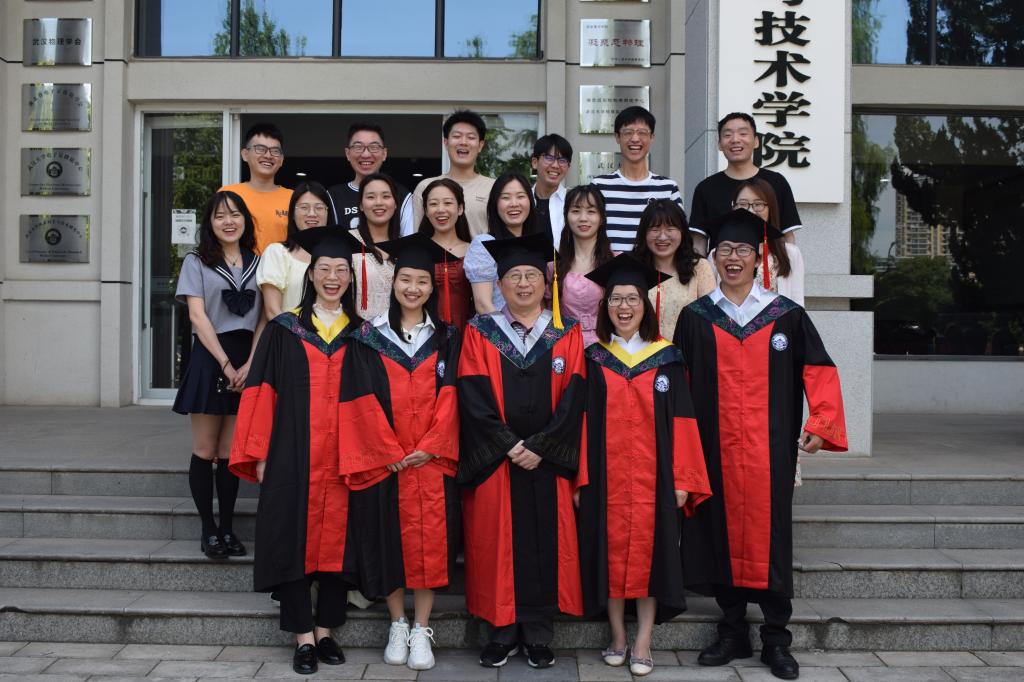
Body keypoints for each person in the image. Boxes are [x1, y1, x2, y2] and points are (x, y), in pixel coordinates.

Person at [674, 209, 848, 681]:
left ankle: (776, 638)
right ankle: (732, 631)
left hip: (770, 453)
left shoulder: (785, 315)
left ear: (758, 257)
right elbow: (679, 390)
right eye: (725, 250)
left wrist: (821, 422)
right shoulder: (696, 318)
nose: (734, 258)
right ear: (714, 257)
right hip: (714, 450)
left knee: (773, 537)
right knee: (719, 533)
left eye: (743, 250)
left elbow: (820, 369)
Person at [229, 226, 364, 675]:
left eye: (341, 269)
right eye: (324, 269)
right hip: (292, 453)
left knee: (341, 543)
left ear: (350, 277)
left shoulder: (362, 334)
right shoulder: (284, 329)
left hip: (344, 456)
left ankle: (326, 631)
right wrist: (260, 453)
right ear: (311, 275)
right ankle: (302, 636)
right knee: (291, 538)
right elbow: (262, 393)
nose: (332, 277)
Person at [577, 254, 712, 677]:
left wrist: (684, 478)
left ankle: (643, 641)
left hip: (656, 480)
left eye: (632, 298)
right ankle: (618, 635)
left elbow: (684, 421)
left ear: (645, 305)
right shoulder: (593, 359)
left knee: (654, 557)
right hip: (607, 480)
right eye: (616, 299)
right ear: (605, 307)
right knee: (611, 556)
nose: (624, 307)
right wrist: (580, 479)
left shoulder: (667, 357)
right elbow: (580, 424)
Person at [457, 232, 586, 670]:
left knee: (545, 545)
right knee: (497, 545)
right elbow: (472, 395)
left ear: (546, 282)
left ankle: (537, 634)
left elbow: (574, 397)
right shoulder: (480, 332)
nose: (524, 283)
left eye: (532, 275)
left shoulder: (567, 332)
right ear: (500, 284)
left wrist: (542, 447)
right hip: (498, 461)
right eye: (514, 276)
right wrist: (510, 445)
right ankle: (501, 632)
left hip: (547, 462)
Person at [338, 235, 462, 672]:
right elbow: (358, 397)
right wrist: (384, 449)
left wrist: (431, 446)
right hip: (386, 463)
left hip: (430, 461)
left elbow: (454, 395)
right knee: (386, 540)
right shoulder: (368, 337)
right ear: (393, 283)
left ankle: (421, 627)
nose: (413, 288)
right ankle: (397, 622)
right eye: (406, 279)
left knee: (432, 544)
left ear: (433, 287)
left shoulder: (449, 337)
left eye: (422, 281)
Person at [173, 190, 264, 561]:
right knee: (205, 449)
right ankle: (208, 529)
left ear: (245, 220)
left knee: (229, 453)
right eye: (220, 216)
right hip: (212, 357)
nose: (229, 222)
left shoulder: (259, 261)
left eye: (235, 214)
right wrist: (226, 364)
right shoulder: (197, 261)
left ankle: (227, 527)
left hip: (248, 357)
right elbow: (197, 317)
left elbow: (265, 317)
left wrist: (251, 363)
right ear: (210, 224)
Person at [688, 112, 802, 255]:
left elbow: (787, 235)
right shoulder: (706, 188)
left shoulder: (776, 182)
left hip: (769, 266)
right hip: (723, 266)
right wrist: (702, 268)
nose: (735, 140)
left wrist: (788, 265)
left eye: (743, 133)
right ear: (719, 144)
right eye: (727, 135)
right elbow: (699, 239)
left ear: (756, 141)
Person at [590, 106, 683, 253]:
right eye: (628, 132)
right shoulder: (599, 186)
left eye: (642, 133)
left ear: (652, 137)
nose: (635, 139)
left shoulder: (668, 188)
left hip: (653, 267)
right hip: (609, 266)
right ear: (617, 137)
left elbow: (679, 235)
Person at [631, 200, 716, 340]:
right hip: (640, 350)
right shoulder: (632, 268)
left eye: (670, 229)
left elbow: (710, 319)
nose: (662, 237)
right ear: (644, 233)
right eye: (655, 229)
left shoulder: (700, 267)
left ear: (682, 231)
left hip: (686, 350)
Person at [550, 185, 616, 347]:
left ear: (602, 218)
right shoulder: (554, 266)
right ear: (566, 216)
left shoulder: (616, 262)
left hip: (608, 347)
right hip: (565, 347)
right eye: (575, 211)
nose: (583, 218)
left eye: (591, 211)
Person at [464, 172, 539, 315]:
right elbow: (483, 305)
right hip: (496, 326)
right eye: (505, 197)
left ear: (530, 201)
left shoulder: (537, 243)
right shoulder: (484, 244)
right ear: (495, 204)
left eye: (520, 196)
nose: (514, 203)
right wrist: (510, 328)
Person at [413, 110, 495, 236]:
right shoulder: (426, 186)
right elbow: (417, 235)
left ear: (480, 145)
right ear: (446, 143)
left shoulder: (494, 188)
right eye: (457, 136)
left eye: (471, 137)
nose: (463, 142)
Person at [257, 181, 330, 319]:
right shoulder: (277, 253)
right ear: (292, 214)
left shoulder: (339, 255)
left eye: (319, 207)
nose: (312, 214)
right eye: (304, 207)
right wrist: (301, 332)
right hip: (287, 331)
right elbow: (273, 311)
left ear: (328, 212)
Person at [327, 122, 415, 234]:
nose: (366, 154)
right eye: (358, 147)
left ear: (384, 153)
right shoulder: (333, 196)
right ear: (348, 153)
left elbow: (409, 239)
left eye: (374, 147)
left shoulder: (402, 195)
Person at [219, 123, 293, 254]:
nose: (268, 155)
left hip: (282, 267)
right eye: (260, 149)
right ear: (245, 154)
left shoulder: (293, 198)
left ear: (281, 159)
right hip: (238, 266)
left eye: (275, 151)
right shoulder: (228, 194)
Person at [731, 178, 805, 306]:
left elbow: (797, 304)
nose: (751, 211)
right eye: (743, 204)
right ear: (733, 208)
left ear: (770, 208)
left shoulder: (790, 253)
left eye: (758, 204)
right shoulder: (721, 254)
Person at [418, 178, 475, 329]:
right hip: (425, 332)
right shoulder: (418, 250)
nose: (441, 209)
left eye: (448, 203)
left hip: (467, 332)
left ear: (460, 208)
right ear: (426, 211)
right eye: (433, 204)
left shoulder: (474, 251)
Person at [351, 173, 401, 320]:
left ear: (395, 203)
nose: (379, 202)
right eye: (371, 197)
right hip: (357, 329)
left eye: (386, 196)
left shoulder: (405, 247)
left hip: (397, 330)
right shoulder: (348, 241)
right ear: (361, 205)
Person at [530, 134, 573, 245]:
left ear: (568, 167)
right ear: (535, 162)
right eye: (549, 158)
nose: (555, 165)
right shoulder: (522, 201)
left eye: (562, 160)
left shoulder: (574, 202)